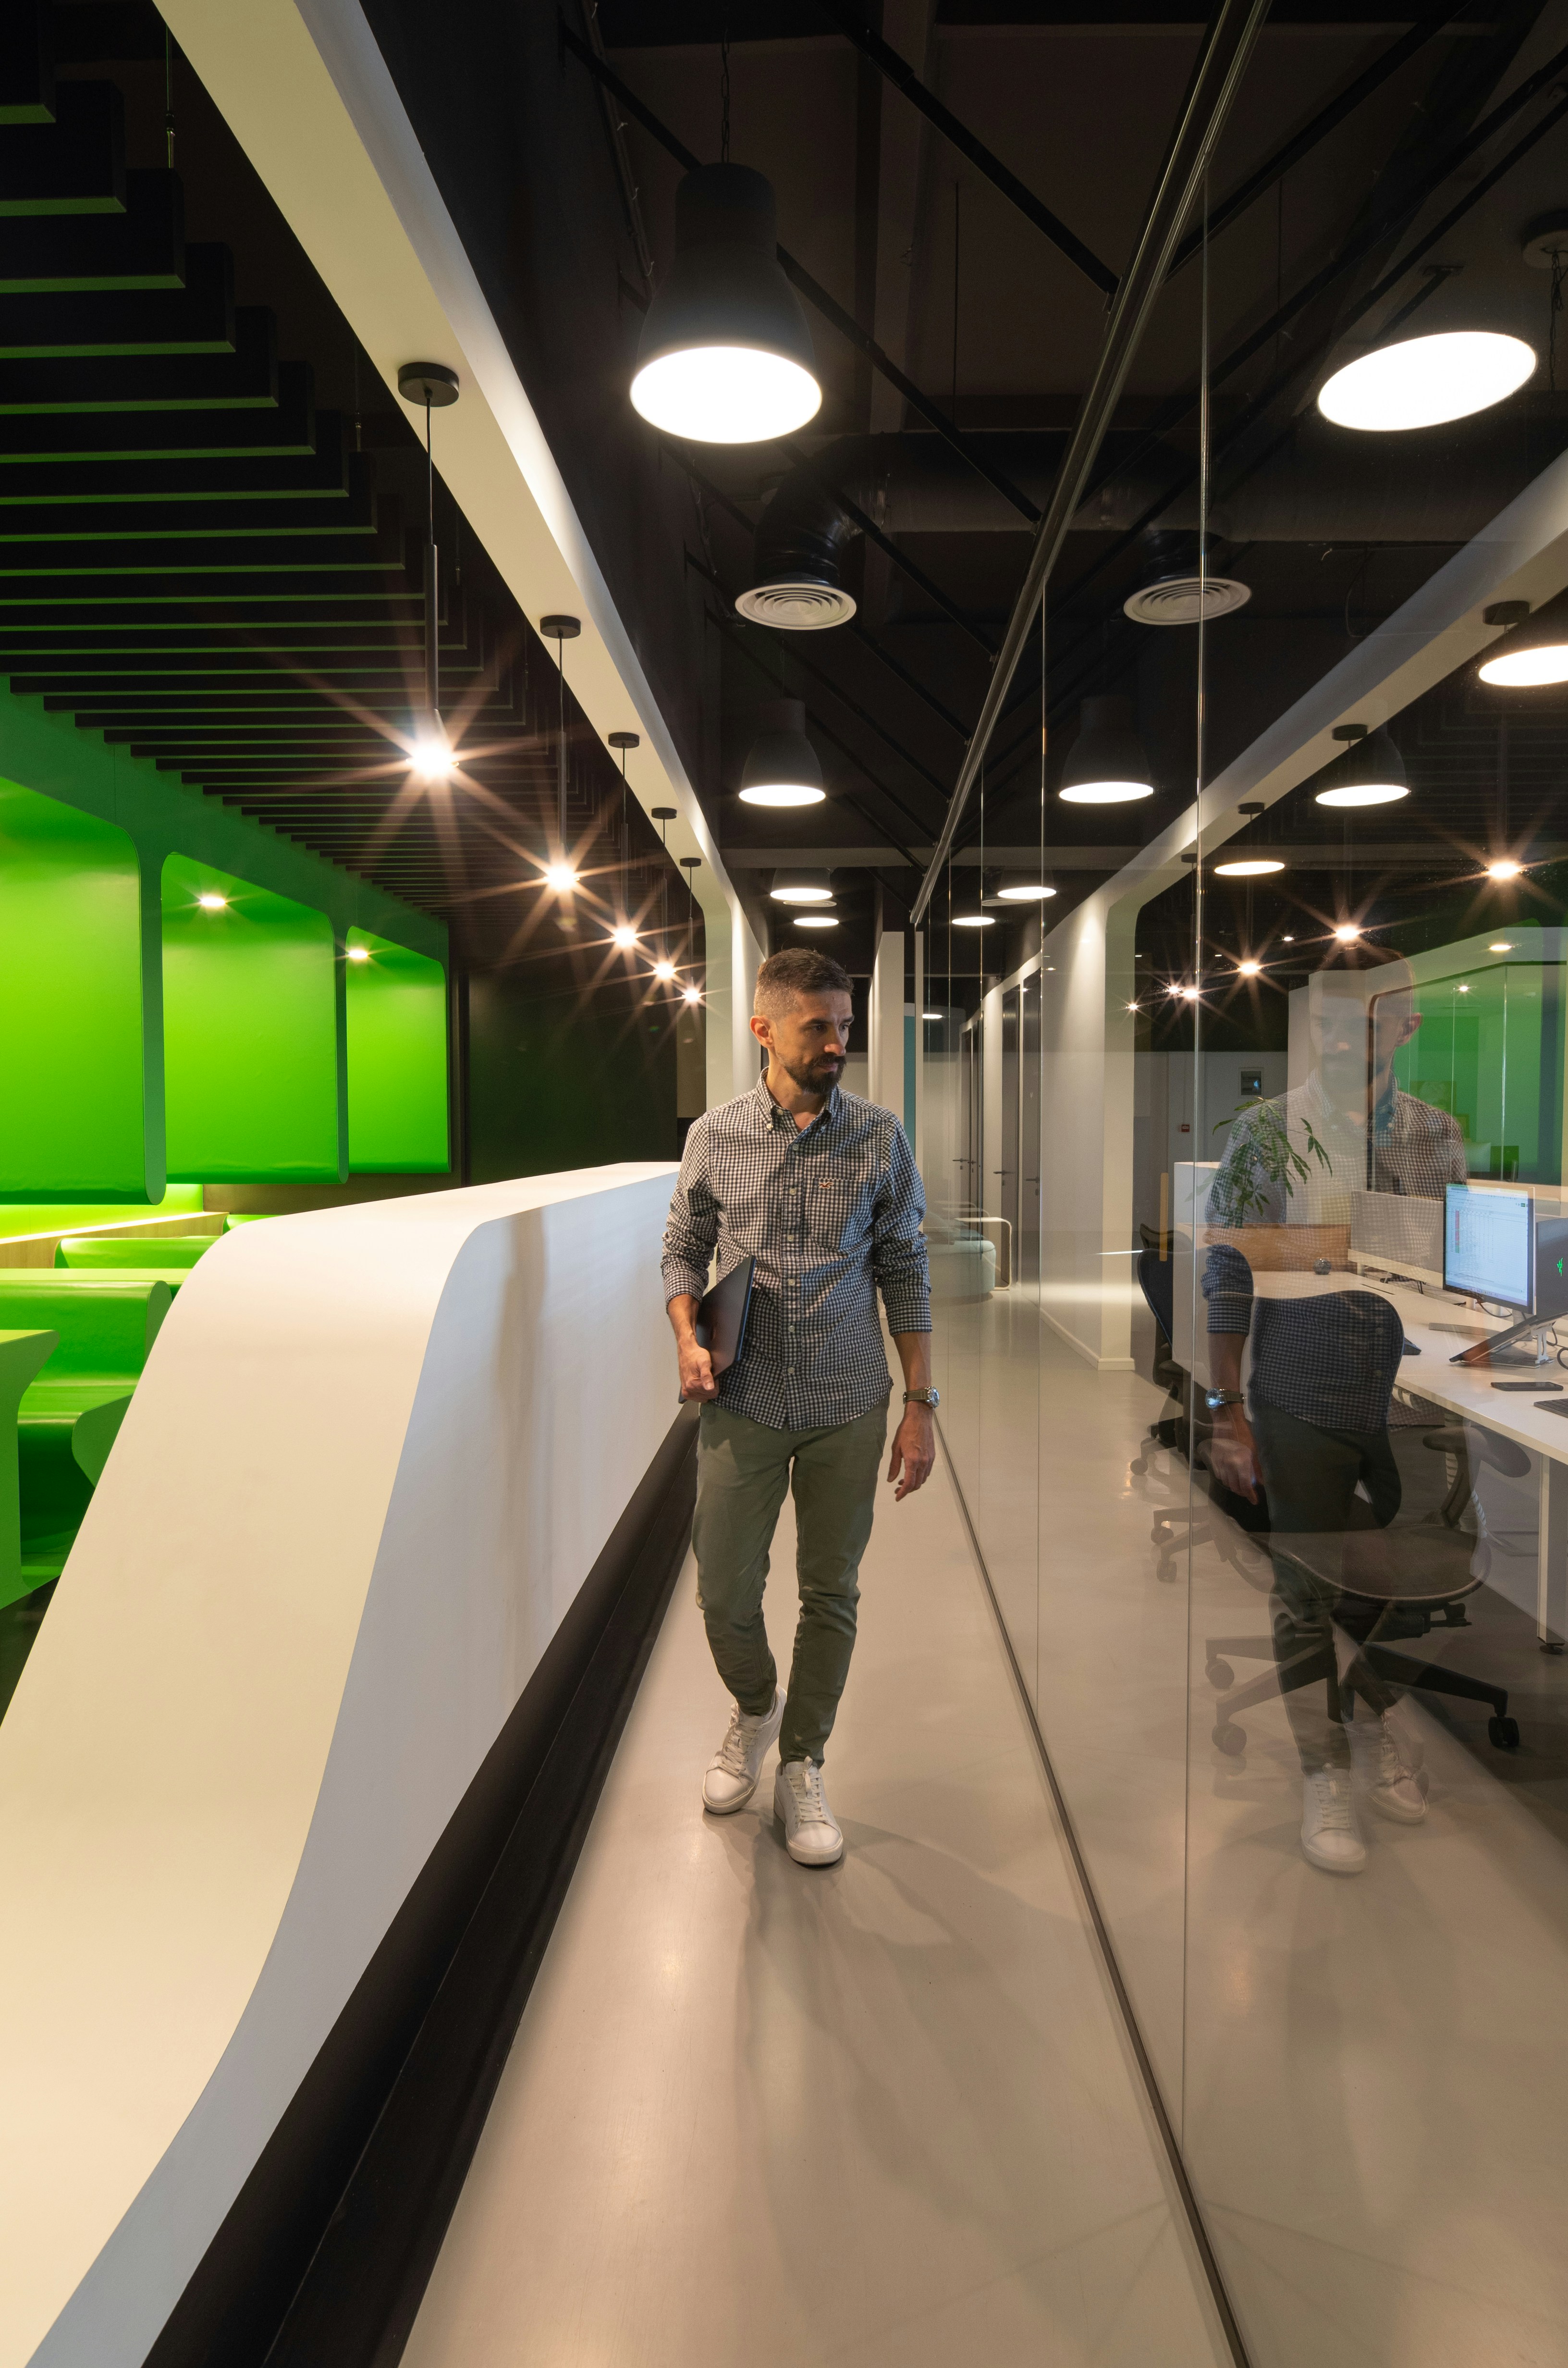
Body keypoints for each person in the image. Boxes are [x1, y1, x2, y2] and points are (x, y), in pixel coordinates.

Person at [661, 945, 935, 1869]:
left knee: (833, 1591)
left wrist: (921, 1402)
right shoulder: (716, 1135)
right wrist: (687, 1337)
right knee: (723, 1589)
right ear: (765, 1029)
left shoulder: (880, 1137)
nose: (836, 1042)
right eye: (818, 1026)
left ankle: (805, 1759)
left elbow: (906, 1267)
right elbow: (680, 1252)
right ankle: (755, 1709)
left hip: (850, 1403)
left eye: (845, 1025)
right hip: (742, 1400)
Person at [1202, 977, 1463, 1873]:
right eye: (1328, 1023)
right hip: (1302, 1391)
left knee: (1412, 1583)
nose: (1344, 1039)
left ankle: (1370, 1705)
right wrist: (1226, 1409)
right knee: (1306, 1587)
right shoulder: (1267, 1132)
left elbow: (1445, 1269)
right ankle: (1325, 1767)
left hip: (1410, 1400)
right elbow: (1228, 1271)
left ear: (1407, 1026)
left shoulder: (1434, 1136)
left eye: (1366, 1022)